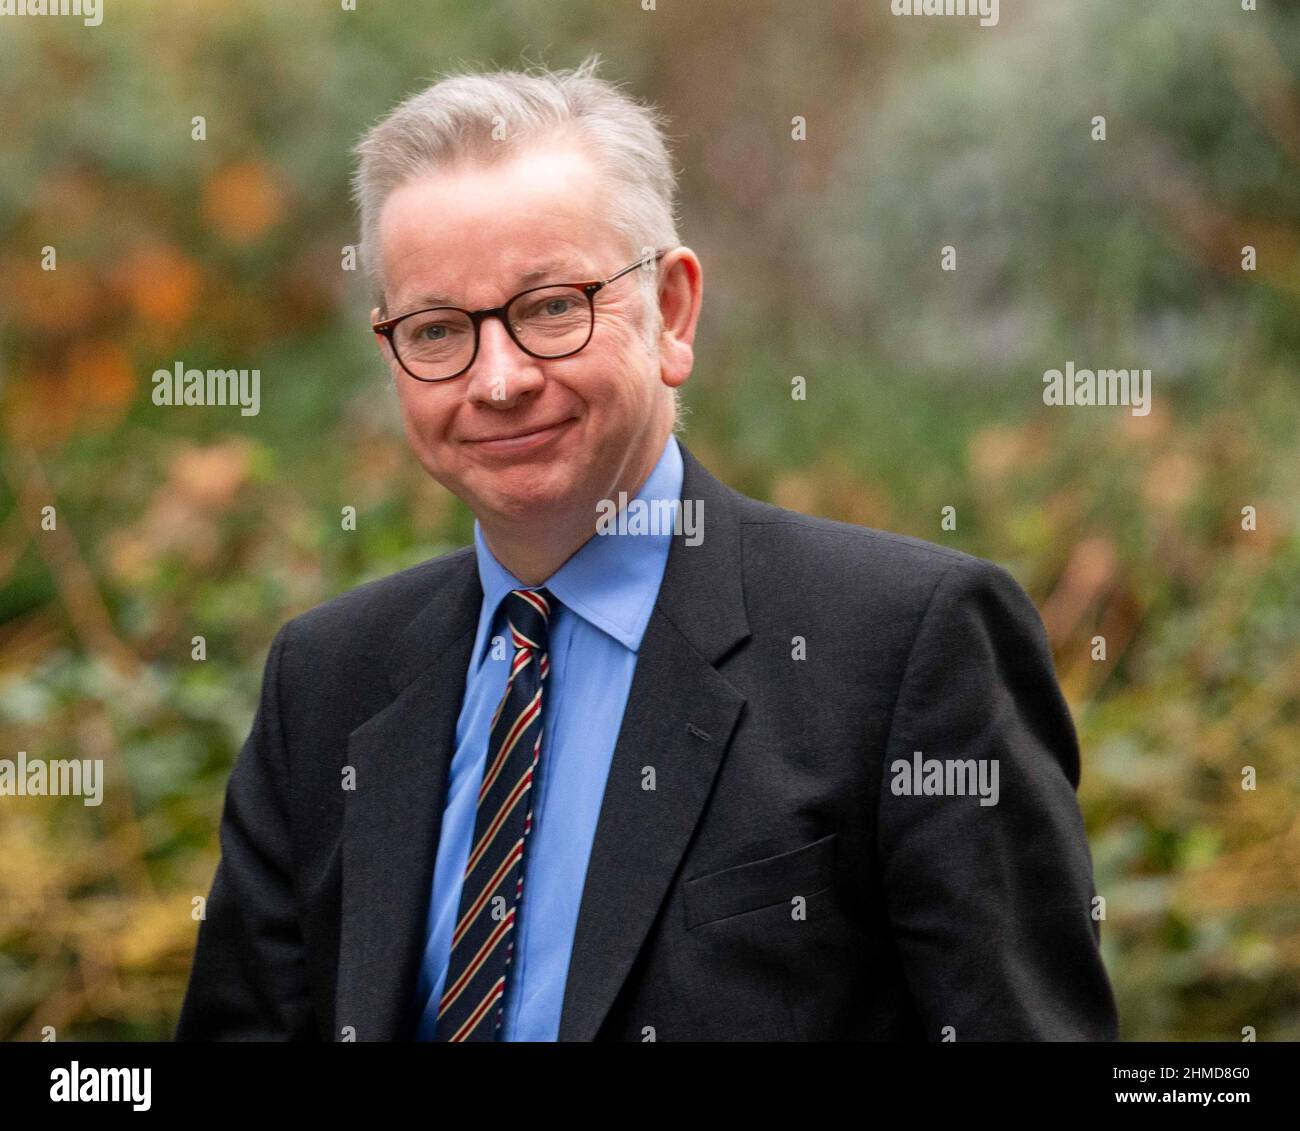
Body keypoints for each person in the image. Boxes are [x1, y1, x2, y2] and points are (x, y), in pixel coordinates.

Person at [176, 54, 1119, 1042]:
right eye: (440, 328)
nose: (497, 381)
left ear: (671, 311)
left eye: (550, 309)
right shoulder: (327, 681)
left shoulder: (904, 649)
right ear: (392, 354)